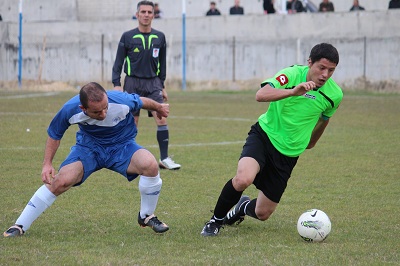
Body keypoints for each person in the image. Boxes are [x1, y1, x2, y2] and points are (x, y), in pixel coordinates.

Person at [201, 43, 343, 237]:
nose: (325, 75)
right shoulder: (291, 75)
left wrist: (311, 141)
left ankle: (242, 208)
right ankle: (215, 221)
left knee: (263, 212)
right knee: (243, 179)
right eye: (322, 68)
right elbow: (261, 95)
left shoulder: (334, 95)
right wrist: (293, 91)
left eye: (331, 70)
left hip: (289, 153)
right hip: (264, 136)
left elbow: (324, 119)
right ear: (310, 63)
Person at [3, 82, 170, 238]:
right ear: (83, 108)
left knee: (150, 164)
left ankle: (146, 216)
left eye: (106, 108)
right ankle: (20, 225)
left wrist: (160, 107)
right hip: (89, 149)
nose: (103, 114)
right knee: (61, 181)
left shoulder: (121, 100)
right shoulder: (70, 109)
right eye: (97, 112)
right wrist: (47, 164)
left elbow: (142, 102)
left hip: (122, 146)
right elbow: (55, 133)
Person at [112, 1, 181, 170]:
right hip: (132, 82)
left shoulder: (160, 37)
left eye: (149, 12)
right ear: (137, 14)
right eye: (143, 11)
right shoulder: (127, 36)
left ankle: (164, 159)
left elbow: (162, 63)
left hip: (153, 83)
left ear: (153, 15)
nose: (146, 14)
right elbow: (118, 62)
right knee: (132, 121)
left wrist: (162, 85)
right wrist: (116, 84)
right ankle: (128, 157)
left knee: (161, 117)